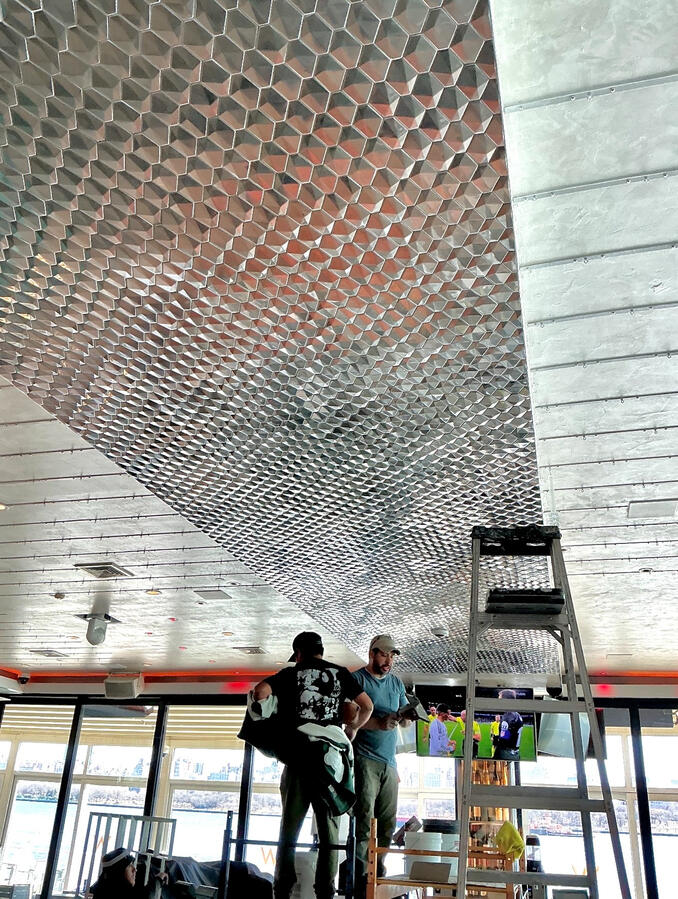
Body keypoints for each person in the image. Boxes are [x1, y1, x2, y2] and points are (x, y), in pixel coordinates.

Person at [252, 632, 373, 899]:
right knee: (329, 832)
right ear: (320, 651)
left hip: (297, 758)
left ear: (298, 654)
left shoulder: (289, 674)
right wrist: (352, 729)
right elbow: (367, 706)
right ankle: (325, 890)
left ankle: (282, 888)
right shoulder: (341, 673)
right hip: (329, 761)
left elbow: (260, 692)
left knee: (289, 828)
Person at [347, 634, 415, 898]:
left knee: (387, 823)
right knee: (364, 821)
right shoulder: (356, 680)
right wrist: (378, 722)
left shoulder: (396, 683)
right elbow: (350, 718)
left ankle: (379, 874)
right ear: (372, 653)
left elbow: (404, 724)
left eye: (392, 656)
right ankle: (360, 880)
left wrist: (407, 716)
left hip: (389, 762)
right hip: (364, 758)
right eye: (384, 655)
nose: (388, 661)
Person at [493, 689, 524, 761]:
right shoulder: (517, 714)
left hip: (506, 753)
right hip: (515, 753)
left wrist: (495, 740)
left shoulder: (508, 716)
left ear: (505, 701)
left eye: (500, 700)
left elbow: (504, 740)